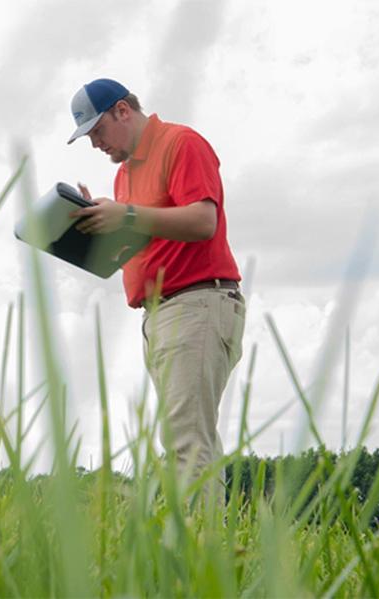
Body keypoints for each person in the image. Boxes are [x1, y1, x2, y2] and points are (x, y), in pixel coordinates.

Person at [67, 78, 246, 491]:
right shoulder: (124, 176)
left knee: (187, 447)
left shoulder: (181, 143)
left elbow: (204, 222)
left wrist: (126, 215)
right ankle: (203, 548)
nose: (96, 144)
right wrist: (97, 228)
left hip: (198, 302)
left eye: (97, 131)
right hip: (160, 313)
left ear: (123, 111)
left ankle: (198, 554)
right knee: (186, 442)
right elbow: (144, 241)